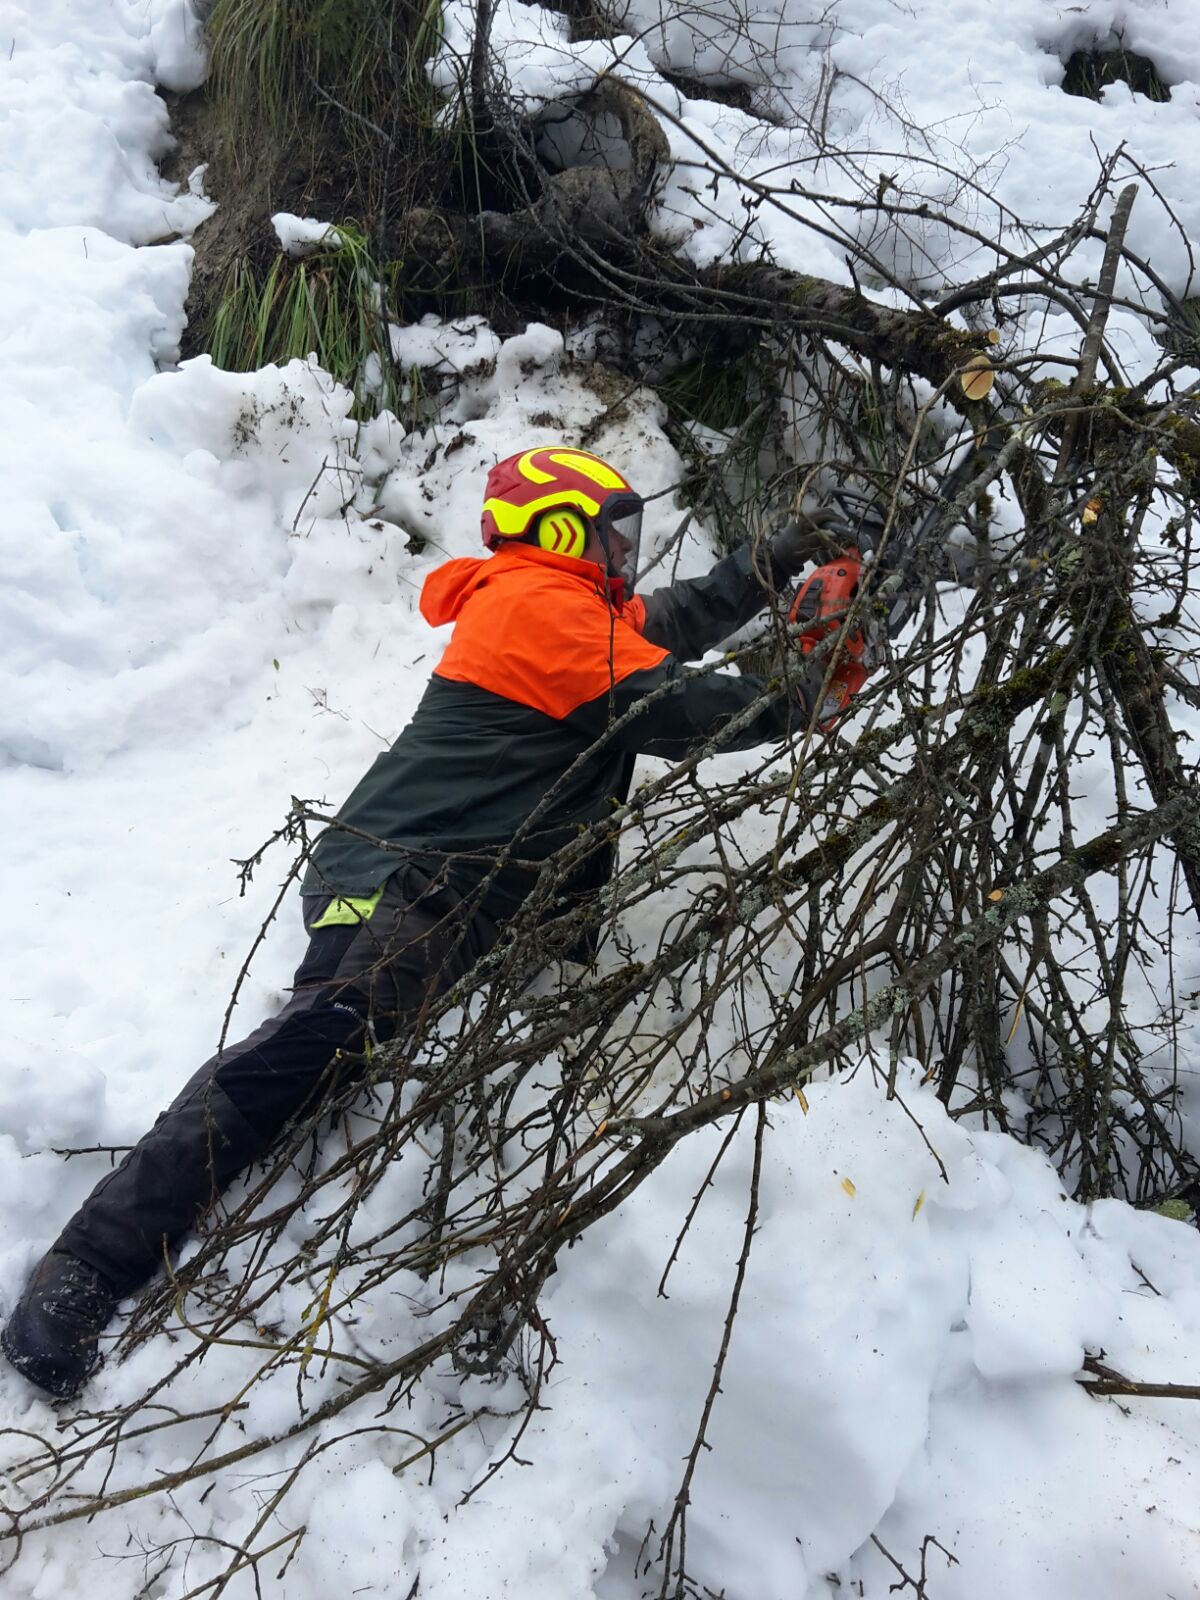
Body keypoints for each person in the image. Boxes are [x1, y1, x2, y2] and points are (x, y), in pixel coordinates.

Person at [2, 444, 839, 1399]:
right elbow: (679, 707)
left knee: (343, 1037)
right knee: (314, 1045)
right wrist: (806, 688)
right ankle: (89, 1265)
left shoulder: (566, 611)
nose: (624, 555)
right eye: (611, 534)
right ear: (562, 531)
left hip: (459, 887)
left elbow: (672, 623)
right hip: (406, 879)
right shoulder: (538, 607)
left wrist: (774, 559)